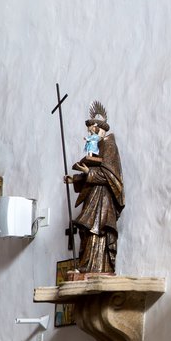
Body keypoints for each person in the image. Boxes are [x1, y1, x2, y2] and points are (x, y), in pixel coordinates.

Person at [65, 101, 124, 274]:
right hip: (95, 195)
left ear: (100, 129)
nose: (90, 133)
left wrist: (88, 173)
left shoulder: (109, 145)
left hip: (103, 199)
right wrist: (75, 179)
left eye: (92, 130)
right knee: (89, 229)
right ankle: (88, 266)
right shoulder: (100, 146)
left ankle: (97, 266)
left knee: (95, 229)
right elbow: (95, 171)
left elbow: (110, 176)